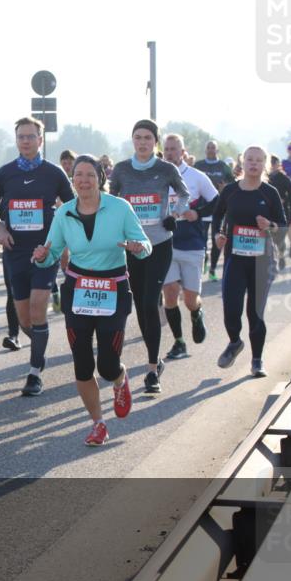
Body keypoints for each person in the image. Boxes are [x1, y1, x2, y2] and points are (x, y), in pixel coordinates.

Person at [32, 155, 152, 446]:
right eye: (78, 175)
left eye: (89, 175)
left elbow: (145, 246)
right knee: (82, 364)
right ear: (72, 179)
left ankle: (120, 381)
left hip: (113, 287)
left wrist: (137, 248)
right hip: (78, 288)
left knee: (108, 366)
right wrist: (41, 257)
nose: (83, 180)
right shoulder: (64, 213)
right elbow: (51, 250)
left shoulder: (120, 208)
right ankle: (98, 423)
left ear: (100, 178)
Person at [0, 117, 75, 396]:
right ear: (16, 140)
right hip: (15, 252)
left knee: (39, 308)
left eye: (30, 136)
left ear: (41, 139)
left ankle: (34, 372)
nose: (25, 141)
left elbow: (72, 207)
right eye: (21, 137)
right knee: (25, 320)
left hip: (45, 250)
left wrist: (61, 244)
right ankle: (40, 350)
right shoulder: (5, 173)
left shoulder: (54, 173)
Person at [107, 119, 190, 394]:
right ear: (133, 140)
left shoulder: (166, 169)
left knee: (149, 300)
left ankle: (152, 369)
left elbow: (183, 193)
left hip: (158, 245)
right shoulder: (121, 169)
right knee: (141, 306)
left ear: (155, 142)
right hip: (131, 247)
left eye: (147, 138)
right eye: (137, 137)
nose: (142, 142)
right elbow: (110, 201)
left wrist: (173, 214)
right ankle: (157, 359)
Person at [213, 146, 287, 378]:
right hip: (235, 260)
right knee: (231, 310)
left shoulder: (269, 192)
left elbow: (282, 228)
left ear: (264, 164)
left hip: (261, 262)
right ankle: (235, 342)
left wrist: (270, 226)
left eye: (258, 160)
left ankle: (257, 360)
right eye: (249, 159)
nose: (253, 164)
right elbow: (217, 215)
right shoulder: (230, 191)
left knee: (255, 313)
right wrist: (217, 235)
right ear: (242, 163)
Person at [161, 135, 217, 360]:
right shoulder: (157, 177)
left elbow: (216, 200)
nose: (170, 153)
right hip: (165, 242)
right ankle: (179, 342)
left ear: (183, 152)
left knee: (190, 299)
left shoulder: (196, 177)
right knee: (171, 293)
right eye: (166, 149)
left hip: (192, 242)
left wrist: (198, 214)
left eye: (174, 149)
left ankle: (196, 313)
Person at [194, 140, 234, 282]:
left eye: (213, 148)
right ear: (205, 150)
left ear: (217, 151)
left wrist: (225, 188)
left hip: (220, 209)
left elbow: (234, 184)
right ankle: (205, 259)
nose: (211, 150)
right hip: (202, 209)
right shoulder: (198, 165)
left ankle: (212, 269)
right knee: (202, 240)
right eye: (208, 147)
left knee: (218, 239)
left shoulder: (223, 166)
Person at [268, 155, 291, 268]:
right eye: (270, 163)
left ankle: (282, 256)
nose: (271, 165)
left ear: (277, 164)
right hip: (269, 211)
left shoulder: (283, 177)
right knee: (274, 236)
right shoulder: (266, 177)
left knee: (282, 234)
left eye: (273, 163)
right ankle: (280, 256)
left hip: (284, 210)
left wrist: (284, 199)